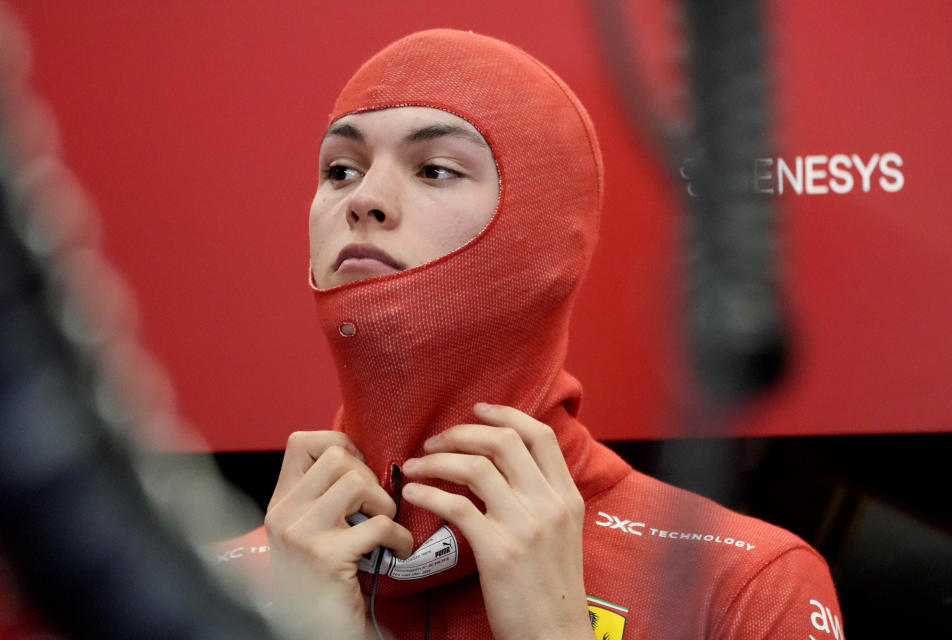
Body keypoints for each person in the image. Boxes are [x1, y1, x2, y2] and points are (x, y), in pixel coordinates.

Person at [215, 29, 845, 640]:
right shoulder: (202, 583)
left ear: (539, 238)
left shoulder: (747, 587)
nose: (365, 199)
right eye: (341, 169)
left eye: (434, 169)